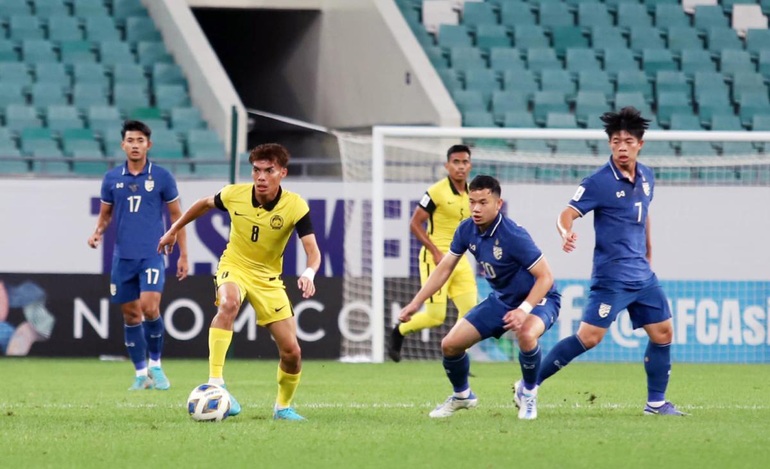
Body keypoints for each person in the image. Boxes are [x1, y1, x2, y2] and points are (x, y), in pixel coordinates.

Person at [534, 106, 686, 416]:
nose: (622, 146)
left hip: (642, 275)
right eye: (616, 141)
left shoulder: (647, 177)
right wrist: (566, 232)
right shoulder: (598, 182)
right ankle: (529, 384)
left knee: (663, 334)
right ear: (609, 144)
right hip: (612, 276)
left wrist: (648, 253)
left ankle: (655, 403)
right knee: (589, 338)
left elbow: (644, 217)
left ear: (640, 144)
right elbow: (567, 213)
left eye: (628, 141)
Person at [157, 143, 321, 421]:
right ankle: (216, 384)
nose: (261, 177)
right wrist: (174, 229)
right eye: (256, 170)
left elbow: (313, 251)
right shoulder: (235, 194)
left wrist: (308, 273)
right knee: (229, 303)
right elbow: (203, 204)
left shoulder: (295, 206)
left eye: (269, 171)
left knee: (292, 352)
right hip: (234, 266)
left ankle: (283, 407)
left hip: (269, 279)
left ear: (282, 173)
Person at [399, 175, 560, 420]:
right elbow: (444, 269)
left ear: (498, 204)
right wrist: (416, 302)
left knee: (526, 333)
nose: (476, 208)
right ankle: (462, 396)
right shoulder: (466, 229)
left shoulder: (513, 235)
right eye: (472, 201)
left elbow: (545, 277)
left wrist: (524, 309)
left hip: (540, 299)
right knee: (450, 345)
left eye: (483, 202)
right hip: (502, 300)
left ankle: (527, 393)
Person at [87, 120, 188, 391]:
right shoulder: (112, 178)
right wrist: (97, 232)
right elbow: (105, 215)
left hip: (152, 254)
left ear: (148, 145)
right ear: (123, 145)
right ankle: (141, 374)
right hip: (123, 258)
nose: (135, 145)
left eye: (140, 140)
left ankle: (156, 364)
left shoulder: (162, 177)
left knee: (149, 307)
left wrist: (183, 255)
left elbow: (178, 217)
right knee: (131, 316)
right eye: (130, 140)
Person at [389, 144, 478, 362]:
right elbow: (415, 224)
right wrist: (435, 251)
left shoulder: (472, 194)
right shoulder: (435, 192)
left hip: (461, 260)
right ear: (447, 165)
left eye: (464, 162)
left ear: (470, 166)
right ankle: (399, 331)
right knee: (435, 316)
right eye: (456, 162)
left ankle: (458, 358)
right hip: (435, 259)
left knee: (470, 312)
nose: (460, 166)